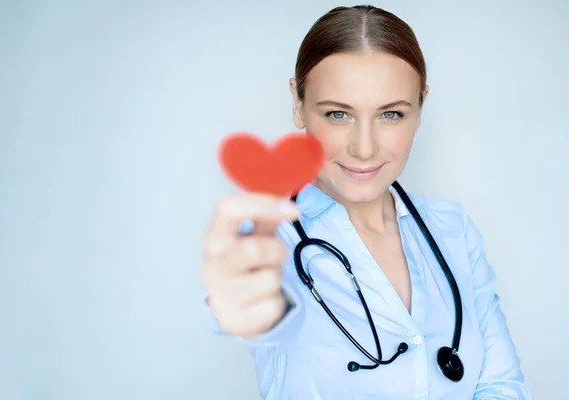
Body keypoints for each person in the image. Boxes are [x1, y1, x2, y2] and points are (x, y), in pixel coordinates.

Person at [200, 5, 530, 400]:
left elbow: (500, 385)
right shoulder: (275, 241)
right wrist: (251, 311)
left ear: (421, 106)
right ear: (297, 103)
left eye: (391, 114)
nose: (364, 148)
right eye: (338, 114)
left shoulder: (452, 228)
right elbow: (265, 315)